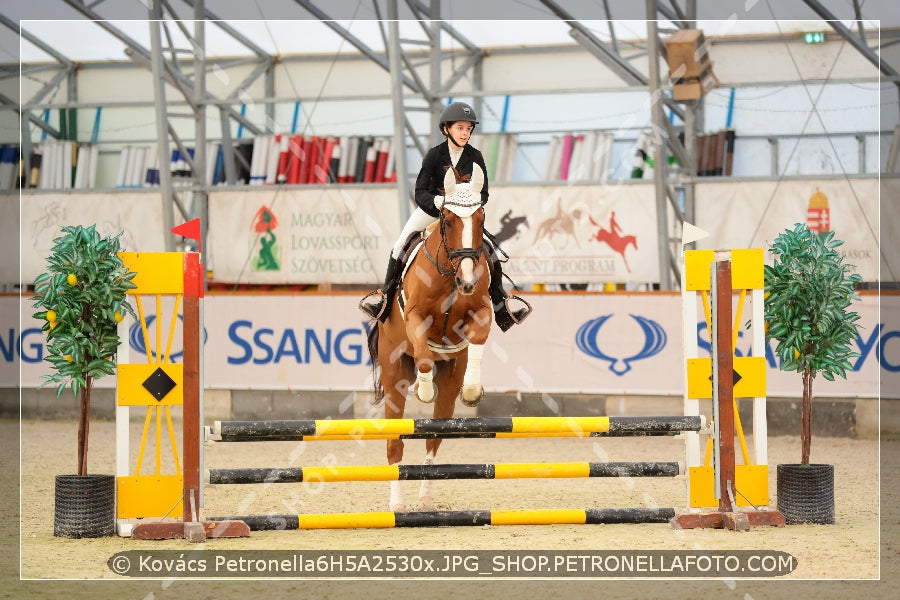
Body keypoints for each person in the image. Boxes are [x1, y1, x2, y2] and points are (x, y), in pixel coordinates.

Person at [359, 101, 531, 331]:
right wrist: (437, 201)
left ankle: (501, 305)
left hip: (464, 215)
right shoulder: (434, 156)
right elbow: (420, 191)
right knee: (400, 245)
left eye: (468, 128)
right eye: (460, 128)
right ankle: (385, 299)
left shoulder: (476, 156)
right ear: (446, 129)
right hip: (433, 212)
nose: (465, 133)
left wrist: (470, 205)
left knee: (492, 251)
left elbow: (485, 192)